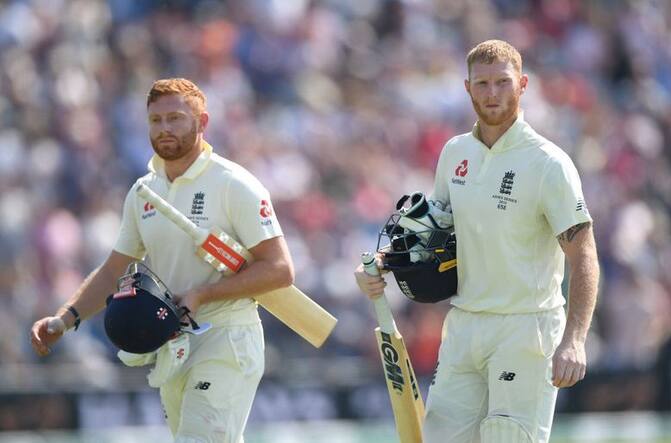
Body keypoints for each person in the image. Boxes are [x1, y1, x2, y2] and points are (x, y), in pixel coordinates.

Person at [355, 40, 600, 443]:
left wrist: (574, 338)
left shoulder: (548, 163)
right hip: (465, 325)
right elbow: (432, 235)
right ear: (466, 88)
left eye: (502, 83)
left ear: (522, 85)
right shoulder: (455, 153)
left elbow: (583, 254)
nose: (491, 94)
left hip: (526, 327)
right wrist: (381, 263)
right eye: (481, 83)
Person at [30, 78, 295, 443]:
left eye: (176, 118)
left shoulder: (235, 183)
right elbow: (113, 270)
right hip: (172, 345)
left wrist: (202, 294)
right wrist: (64, 319)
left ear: (202, 122)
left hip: (228, 337)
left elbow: (280, 270)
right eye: (156, 120)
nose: (164, 128)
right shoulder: (144, 192)